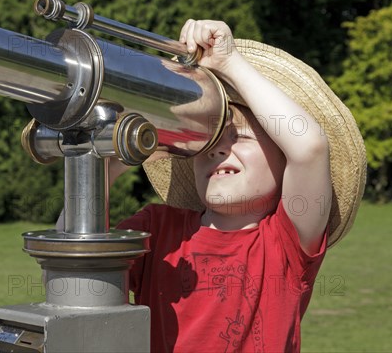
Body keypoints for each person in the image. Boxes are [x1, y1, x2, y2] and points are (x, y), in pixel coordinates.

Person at [111, 20, 367, 352]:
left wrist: (229, 63)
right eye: (208, 138)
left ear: (285, 158)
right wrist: (112, 155)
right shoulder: (155, 229)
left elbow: (309, 146)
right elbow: (74, 276)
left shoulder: (285, 245)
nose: (218, 148)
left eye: (240, 136)